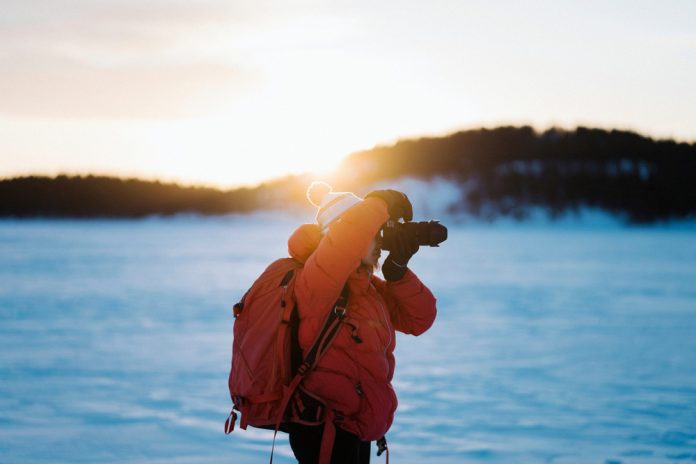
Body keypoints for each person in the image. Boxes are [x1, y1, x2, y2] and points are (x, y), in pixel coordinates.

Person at [286, 182, 437, 464]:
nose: (380, 241)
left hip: (358, 428)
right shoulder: (317, 280)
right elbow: (346, 240)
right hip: (324, 429)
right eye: (374, 233)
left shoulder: (368, 290)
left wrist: (398, 273)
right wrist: (379, 202)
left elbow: (420, 319)